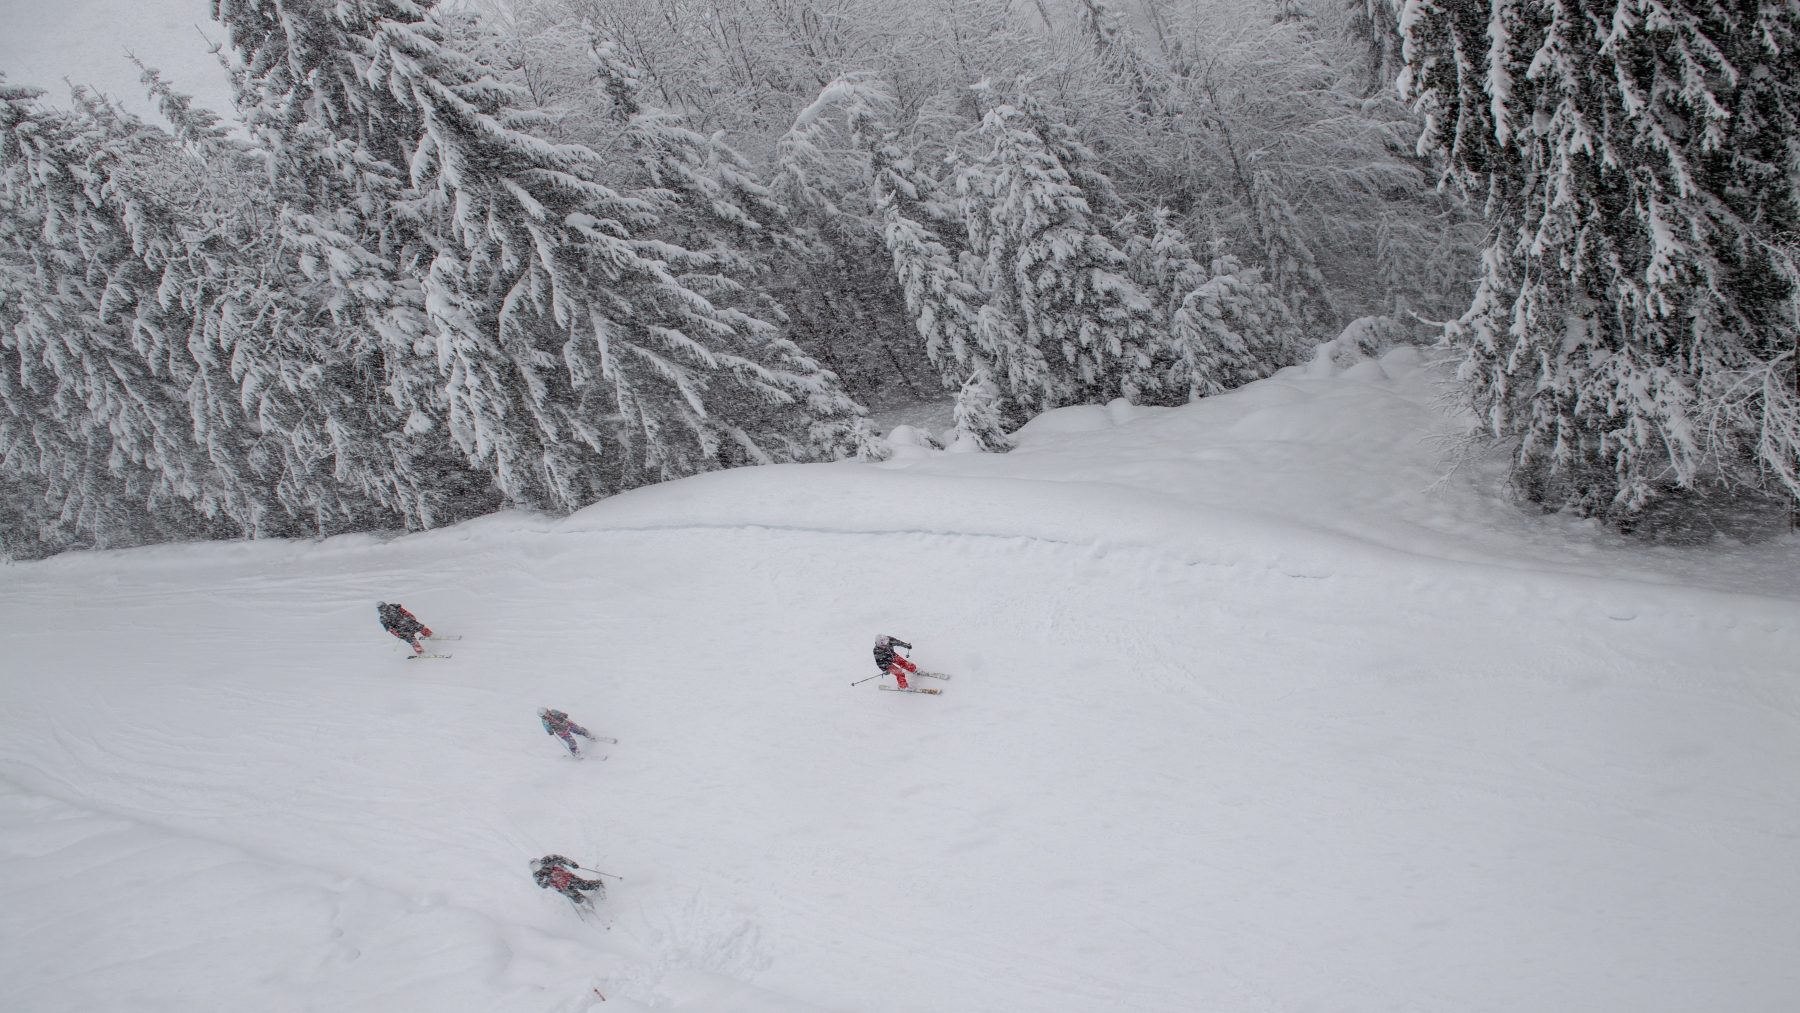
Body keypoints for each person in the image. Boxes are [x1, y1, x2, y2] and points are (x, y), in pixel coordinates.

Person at [532, 854, 604, 906]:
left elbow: (561, 858)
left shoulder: (548, 859)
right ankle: (586, 903)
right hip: (561, 887)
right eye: (535, 868)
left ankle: (598, 885)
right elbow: (542, 885)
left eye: (538, 865)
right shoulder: (537, 875)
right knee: (576, 897)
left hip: (567, 876)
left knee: (583, 885)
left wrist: (572, 864)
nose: (539, 869)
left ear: (540, 862)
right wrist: (546, 880)